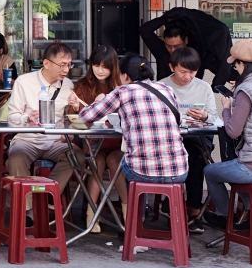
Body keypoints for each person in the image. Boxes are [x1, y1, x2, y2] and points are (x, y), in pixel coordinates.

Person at [79, 55, 188, 224]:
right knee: (128, 160)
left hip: (142, 172)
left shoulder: (123, 91)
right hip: (179, 171)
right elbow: (178, 121)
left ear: (126, 76)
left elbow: (86, 116)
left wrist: (99, 101)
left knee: (123, 162)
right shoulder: (166, 89)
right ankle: (145, 222)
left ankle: (134, 224)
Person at [203, 39, 252, 231]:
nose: (236, 68)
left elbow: (233, 130)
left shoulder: (247, 89)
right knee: (236, 170)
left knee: (211, 172)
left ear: (244, 64)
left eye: (236, 65)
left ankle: (226, 217)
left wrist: (227, 108)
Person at [5, 42, 85, 211]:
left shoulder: (68, 85)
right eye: (62, 65)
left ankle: (46, 197)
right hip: (27, 139)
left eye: (69, 65)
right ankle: (26, 210)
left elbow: (67, 119)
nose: (66, 69)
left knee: (76, 156)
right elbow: (11, 118)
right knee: (16, 159)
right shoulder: (23, 82)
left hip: (55, 141)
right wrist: (27, 117)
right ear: (46, 63)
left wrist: (74, 113)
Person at [64, 45, 123, 232]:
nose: (99, 70)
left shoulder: (121, 88)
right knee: (96, 162)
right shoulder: (82, 85)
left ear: (113, 67)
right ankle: (92, 215)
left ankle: (128, 215)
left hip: (116, 142)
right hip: (92, 142)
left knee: (117, 161)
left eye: (105, 67)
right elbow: (73, 119)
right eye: (96, 65)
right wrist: (72, 106)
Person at [158, 47, 218, 229]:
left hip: (198, 137)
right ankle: (178, 204)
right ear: (171, 67)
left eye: (192, 72)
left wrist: (204, 116)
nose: (187, 76)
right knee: (182, 153)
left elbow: (215, 118)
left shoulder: (203, 87)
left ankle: (191, 206)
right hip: (170, 138)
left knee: (196, 156)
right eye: (183, 71)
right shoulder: (161, 86)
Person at [139, 7, 234, 87]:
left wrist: (224, 80)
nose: (172, 50)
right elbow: (145, 30)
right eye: (169, 46)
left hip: (192, 98)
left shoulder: (197, 53)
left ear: (186, 41)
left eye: (177, 46)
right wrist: (165, 19)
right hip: (167, 97)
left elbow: (219, 64)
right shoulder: (161, 51)